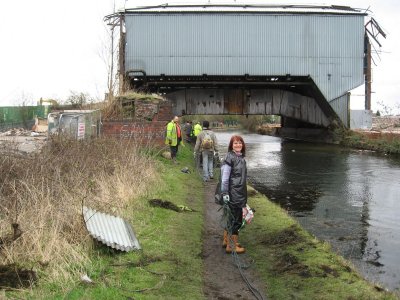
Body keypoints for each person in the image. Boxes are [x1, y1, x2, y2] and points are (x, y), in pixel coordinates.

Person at [220, 135, 247, 254]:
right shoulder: (230, 158)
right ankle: (232, 246)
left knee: (231, 217)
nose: (238, 145)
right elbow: (225, 178)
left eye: (240, 143)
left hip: (239, 192)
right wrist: (225, 193)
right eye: (235, 143)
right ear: (231, 145)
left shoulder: (240, 158)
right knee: (236, 220)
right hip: (234, 193)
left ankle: (226, 240)